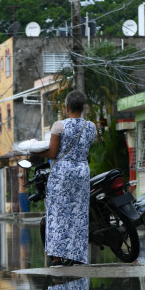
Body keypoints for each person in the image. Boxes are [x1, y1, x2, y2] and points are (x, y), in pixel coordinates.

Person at [33, 90, 97, 267]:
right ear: (83, 108)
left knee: (57, 214)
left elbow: (53, 152)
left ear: (67, 107)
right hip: (82, 171)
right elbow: (86, 148)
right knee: (79, 213)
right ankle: (77, 256)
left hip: (62, 173)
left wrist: (32, 150)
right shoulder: (91, 127)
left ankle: (57, 257)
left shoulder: (59, 126)